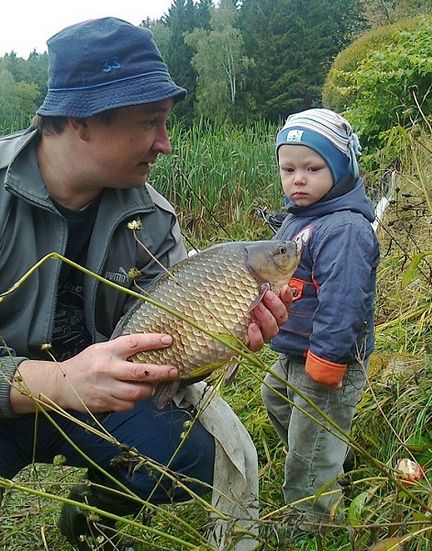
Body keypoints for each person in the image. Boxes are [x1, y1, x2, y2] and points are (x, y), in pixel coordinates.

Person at [0, 17, 291, 551]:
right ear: (82, 120)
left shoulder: (152, 216)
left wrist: (224, 333)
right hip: (11, 403)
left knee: (195, 455)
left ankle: (92, 520)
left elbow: (176, 340)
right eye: (151, 122)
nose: (166, 144)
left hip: (111, 399)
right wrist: (58, 382)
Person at [261, 108, 380, 537]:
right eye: (288, 168)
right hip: (294, 350)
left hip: (327, 358)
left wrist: (328, 359)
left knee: (308, 452)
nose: (298, 179)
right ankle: (330, 459)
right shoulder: (298, 218)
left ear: (341, 167)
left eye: (312, 168)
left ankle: (313, 526)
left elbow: (345, 300)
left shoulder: (345, 228)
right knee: (274, 397)